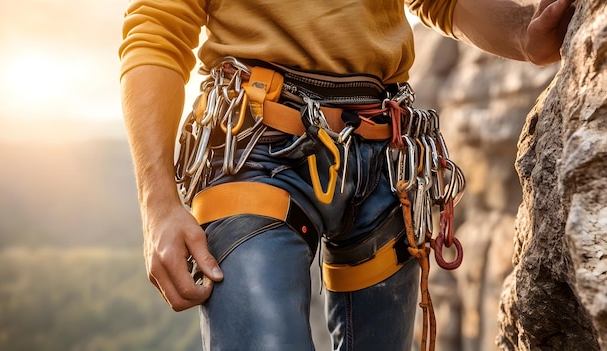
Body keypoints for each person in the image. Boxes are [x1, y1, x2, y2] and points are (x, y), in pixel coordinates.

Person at [119, 1, 575, 350]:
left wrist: (523, 33)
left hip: (385, 157)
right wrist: (158, 203)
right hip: (255, 150)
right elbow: (156, 27)